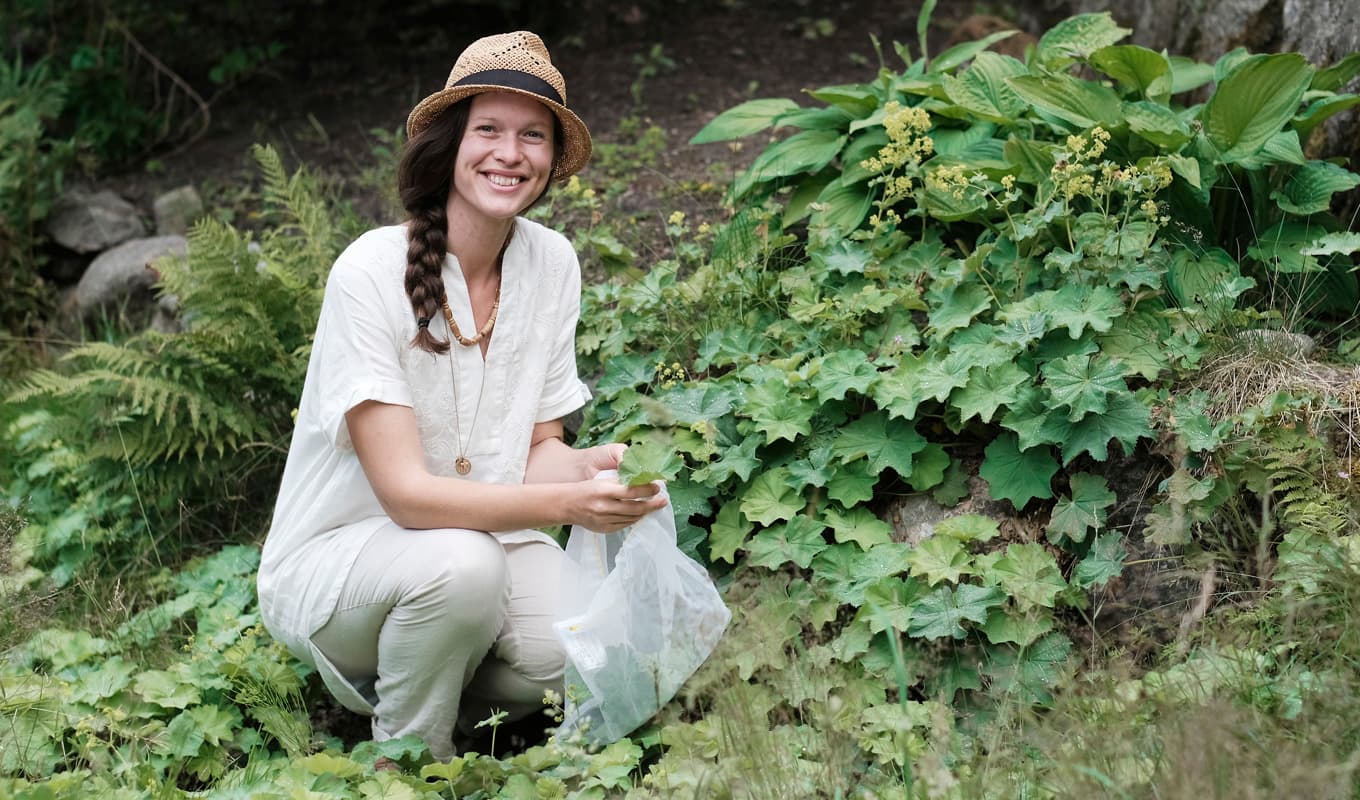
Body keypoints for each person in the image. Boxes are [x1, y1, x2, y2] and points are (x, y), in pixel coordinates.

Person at [256, 31, 667, 762]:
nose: (510, 154)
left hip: (480, 552)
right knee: (464, 569)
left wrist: (597, 472)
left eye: (533, 136)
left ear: (551, 161)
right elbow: (410, 498)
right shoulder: (370, 271)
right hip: (344, 572)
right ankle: (406, 757)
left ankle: (430, 672)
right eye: (489, 130)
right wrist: (566, 508)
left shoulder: (553, 263)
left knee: (591, 653)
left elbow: (537, 452)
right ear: (450, 144)